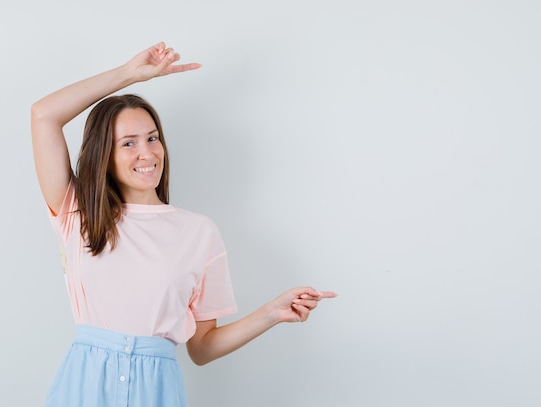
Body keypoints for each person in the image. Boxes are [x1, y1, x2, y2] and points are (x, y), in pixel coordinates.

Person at [31, 41, 336, 407]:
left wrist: (270, 313)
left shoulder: (198, 232)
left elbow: (202, 348)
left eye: (153, 138)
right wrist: (128, 74)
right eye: (128, 143)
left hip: (156, 393)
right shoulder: (78, 213)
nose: (147, 153)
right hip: (82, 388)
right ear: (104, 155)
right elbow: (43, 114)